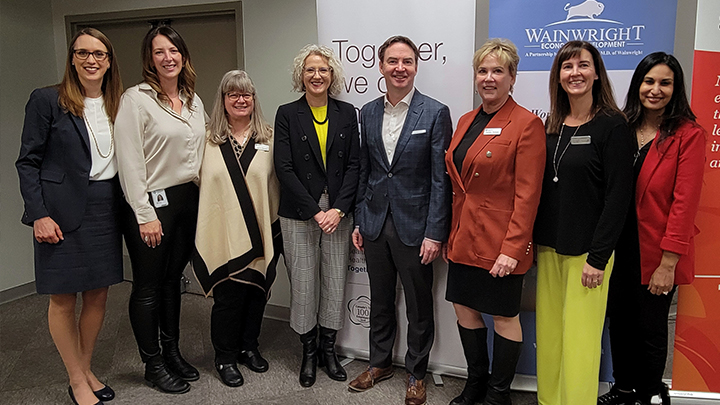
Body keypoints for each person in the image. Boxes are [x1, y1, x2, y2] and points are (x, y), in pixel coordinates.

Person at [15, 28, 123, 405]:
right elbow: (27, 162)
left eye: (99, 54)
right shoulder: (48, 100)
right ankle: (76, 379)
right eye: (83, 53)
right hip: (59, 212)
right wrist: (38, 214)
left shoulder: (118, 103)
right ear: (72, 58)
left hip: (106, 207)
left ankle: (86, 368)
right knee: (63, 299)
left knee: (97, 295)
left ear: (109, 60)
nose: (91, 60)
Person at [348, 35, 452, 405]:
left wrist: (435, 232)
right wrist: (360, 220)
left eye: (407, 61)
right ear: (380, 66)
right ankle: (380, 364)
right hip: (375, 222)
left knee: (419, 306)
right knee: (379, 299)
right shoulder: (368, 112)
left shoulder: (435, 112)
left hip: (416, 226)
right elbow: (366, 171)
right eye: (392, 61)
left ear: (416, 66)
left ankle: (416, 373)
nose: (400, 68)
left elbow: (441, 180)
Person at [598, 52, 706, 405]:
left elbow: (684, 202)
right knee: (620, 322)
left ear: (676, 89)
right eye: (649, 81)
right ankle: (623, 388)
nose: (655, 90)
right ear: (637, 85)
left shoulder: (688, 135)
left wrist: (669, 262)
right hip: (618, 245)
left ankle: (647, 394)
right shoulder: (623, 127)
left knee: (649, 328)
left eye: (665, 83)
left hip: (657, 252)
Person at [444, 38, 546, 405]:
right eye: (483, 71)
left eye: (497, 71)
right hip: (463, 238)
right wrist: (449, 235)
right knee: (464, 309)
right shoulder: (465, 120)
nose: (489, 78)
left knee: (504, 316)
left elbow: (528, 195)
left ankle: (499, 394)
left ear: (512, 77)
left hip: (501, 243)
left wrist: (513, 249)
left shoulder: (527, 124)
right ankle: (476, 383)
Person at [534, 40, 634, 405]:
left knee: (580, 341)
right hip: (549, 247)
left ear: (596, 73)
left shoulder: (612, 126)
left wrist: (598, 257)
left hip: (588, 255)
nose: (575, 73)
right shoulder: (553, 124)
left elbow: (618, 198)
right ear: (558, 76)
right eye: (567, 66)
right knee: (551, 336)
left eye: (583, 65)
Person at [114, 25, 206, 395]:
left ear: (183, 56)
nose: (168, 58)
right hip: (152, 204)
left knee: (173, 282)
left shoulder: (194, 100)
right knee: (148, 286)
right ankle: (152, 363)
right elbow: (130, 160)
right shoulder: (135, 100)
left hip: (187, 201)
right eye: (159, 52)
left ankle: (172, 352)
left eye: (174, 50)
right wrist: (143, 213)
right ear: (149, 59)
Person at [274, 44, 360, 388]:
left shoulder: (347, 112)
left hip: (338, 210)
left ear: (332, 75)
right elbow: (284, 167)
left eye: (323, 70)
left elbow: (355, 164)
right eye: (310, 70)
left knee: (336, 281)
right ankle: (308, 352)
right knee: (305, 284)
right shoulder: (286, 113)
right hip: (299, 212)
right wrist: (315, 212)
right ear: (301, 75)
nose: (317, 75)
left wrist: (337, 209)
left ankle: (329, 349)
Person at [192, 70, 282, 388]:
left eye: (246, 94)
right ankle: (225, 356)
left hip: (261, 232)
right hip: (222, 234)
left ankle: (248, 347)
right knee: (228, 299)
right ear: (223, 100)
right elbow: (196, 185)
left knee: (257, 293)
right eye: (233, 94)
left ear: (254, 100)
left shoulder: (270, 137)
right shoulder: (205, 140)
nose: (240, 100)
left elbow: (278, 185)